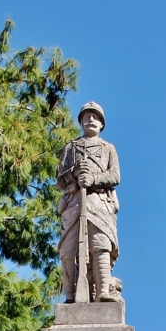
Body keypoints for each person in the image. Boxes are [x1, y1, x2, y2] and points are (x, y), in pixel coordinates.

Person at [57, 102, 120, 302]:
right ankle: (70, 296)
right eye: (86, 116)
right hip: (74, 203)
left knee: (100, 245)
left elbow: (115, 175)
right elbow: (60, 179)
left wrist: (93, 179)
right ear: (81, 122)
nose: (90, 120)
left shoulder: (108, 148)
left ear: (101, 124)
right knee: (68, 250)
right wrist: (74, 173)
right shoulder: (70, 148)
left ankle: (103, 292)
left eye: (95, 117)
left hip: (99, 203)